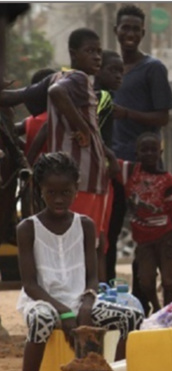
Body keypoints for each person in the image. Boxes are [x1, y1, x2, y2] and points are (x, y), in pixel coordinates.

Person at [14, 152, 143, 371]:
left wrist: (86, 300)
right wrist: (65, 311)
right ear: (40, 190)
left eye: (65, 192)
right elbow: (31, 285)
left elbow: (93, 277)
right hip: (42, 300)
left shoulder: (84, 225)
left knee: (130, 317)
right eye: (51, 192)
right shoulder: (27, 228)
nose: (59, 199)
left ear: (76, 189)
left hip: (79, 296)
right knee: (40, 322)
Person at [0, 28, 110, 249]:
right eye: (90, 51)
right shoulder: (77, 78)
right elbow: (57, 93)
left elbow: (15, 97)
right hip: (84, 176)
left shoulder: (55, 77)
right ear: (73, 53)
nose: (97, 56)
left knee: (64, 240)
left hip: (65, 175)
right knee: (83, 242)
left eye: (99, 52)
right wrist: (83, 128)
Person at [107, 4, 172, 291]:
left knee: (146, 234)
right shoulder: (108, 69)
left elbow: (163, 117)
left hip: (144, 168)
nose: (130, 33)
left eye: (136, 29)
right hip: (114, 164)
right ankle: (106, 288)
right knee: (109, 229)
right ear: (116, 31)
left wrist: (126, 113)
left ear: (143, 33)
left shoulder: (153, 69)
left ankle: (142, 294)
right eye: (126, 28)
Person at [113, 132, 172, 314]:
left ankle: (166, 310)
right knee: (145, 280)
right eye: (144, 150)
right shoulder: (129, 172)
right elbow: (109, 160)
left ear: (159, 153)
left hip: (165, 236)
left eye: (153, 150)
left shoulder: (167, 179)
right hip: (143, 241)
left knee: (169, 280)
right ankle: (157, 307)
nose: (149, 154)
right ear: (137, 153)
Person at [95, 50, 124, 283]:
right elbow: (91, 130)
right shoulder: (103, 97)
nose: (118, 76)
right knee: (104, 236)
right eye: (112, 70)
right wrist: (110, 156)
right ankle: (104, 285)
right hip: (100, 175)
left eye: (121, 72)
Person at [14, 68, 55, 165]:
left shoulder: (29, 122)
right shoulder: (65, 119)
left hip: (32, 174)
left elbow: (9, 132)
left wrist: (25, 148)